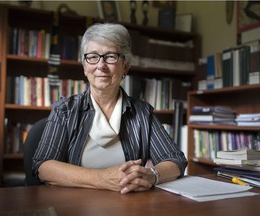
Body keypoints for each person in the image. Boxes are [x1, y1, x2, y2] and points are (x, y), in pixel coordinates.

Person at [32, 23, 187, 194]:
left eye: (111, 57)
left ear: (125, 66)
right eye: (92, 57)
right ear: (84, 66)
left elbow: (175, 160)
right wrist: (102, 179)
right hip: (75, 206)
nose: (101, 65)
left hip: (129, 205)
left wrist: (152, 175)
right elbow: (43, 166)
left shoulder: (142, 112)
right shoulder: (65, 110)